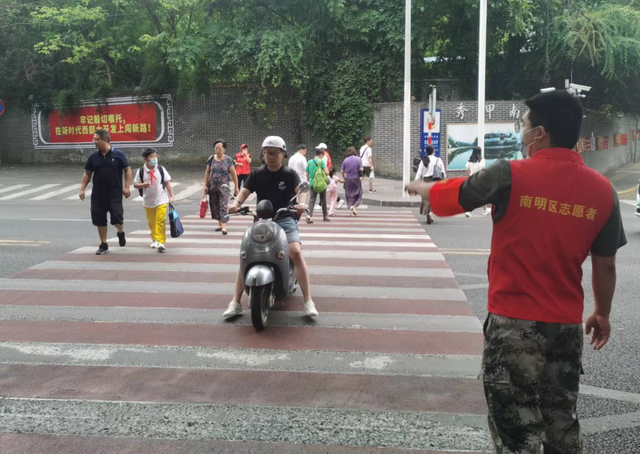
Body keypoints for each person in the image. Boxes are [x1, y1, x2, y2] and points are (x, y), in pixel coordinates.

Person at [406, 90, 626, 454]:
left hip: (513, 326)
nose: (520, 135)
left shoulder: (511, 174)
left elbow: (454, 197)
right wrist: (602, 313)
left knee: (517, 432)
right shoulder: (603, 191)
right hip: (566, 328)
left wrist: (421, 188)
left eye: (523, 127)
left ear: (539, 132)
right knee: (561, 423)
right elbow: (606, 264)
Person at [224, 135, 319, 318]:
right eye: (267, 153)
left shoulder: (289, 174)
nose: (271, 156)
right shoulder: (258, 174)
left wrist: (301, 204)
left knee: (295, 252)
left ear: (282, 154)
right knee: (246, 255)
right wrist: (236, 204)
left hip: (284, 219)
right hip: (262, 222)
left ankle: (308, 301)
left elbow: (301, 192)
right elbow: (245, 192)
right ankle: (235, 302)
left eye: (275, 153)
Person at [79, 129, 132, 255]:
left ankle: (120, 232)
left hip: (114, 194)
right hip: (98, 194)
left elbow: (127, 170)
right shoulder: (93, 157)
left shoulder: (118, 154)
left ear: (106, 140)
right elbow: (87, 173)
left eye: (97, 139)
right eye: (94, 139)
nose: (94, 142)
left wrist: (127, 187)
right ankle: (104, 244)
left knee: (117, 219)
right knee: (99, 219)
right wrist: (82, 189)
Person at [133, 148, 175, 252]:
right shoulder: (141, 171)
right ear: (145, 159)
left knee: (160, 220)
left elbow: (167, 183)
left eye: (155, 156)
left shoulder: (160, 169)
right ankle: (154, 239)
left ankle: (161, 242)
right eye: (152, 157)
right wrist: (144, 184)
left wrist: (172, 196)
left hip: (161, 199)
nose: (154, 159)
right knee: (152, 223)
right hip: (148, 202)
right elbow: (135, 184)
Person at [204, 139, 239, 235]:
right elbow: (207, 172)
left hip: (224, 188)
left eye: (219, 148)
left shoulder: (228, 160)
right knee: (215, 206)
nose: (217, 150)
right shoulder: (211, 159)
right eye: (216, 148)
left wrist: (236, 187)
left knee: (223, 206)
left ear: (224, 149)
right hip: (212, 187)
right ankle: (219, 224)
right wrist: (205, 185)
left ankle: (224, 226)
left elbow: (234, 174)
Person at [414, 145, 446, 225]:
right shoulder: (438, 160)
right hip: (435, 181)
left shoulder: (423, 160)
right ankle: (431, 212)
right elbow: (443, 172)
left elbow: (419, 173)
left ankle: (427, 212)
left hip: (426, 180)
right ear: (433, 151)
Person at [305, 148, 330, 223]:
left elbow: (306, 173)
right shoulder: (321, 161)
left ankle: (309, 216)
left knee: (312, 200)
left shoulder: (309, 162)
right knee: (323, 200)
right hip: (320, 183)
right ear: (321, 154)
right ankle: (325, 216)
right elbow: (327, 172)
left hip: (312, 183)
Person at [465, 146, 488, 217]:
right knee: (483, 195)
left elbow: (467, 171)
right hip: (479, 179)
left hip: (472, 179)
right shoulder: (481, 160)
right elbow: (482, 170)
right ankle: (484, 211)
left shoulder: (470, 161)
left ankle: (468, 211)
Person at [341, 146, 364, 216]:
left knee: (349, 195)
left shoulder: (345, 160)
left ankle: (351, 209)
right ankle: (354, 206)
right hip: (356, 179)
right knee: (359, 193)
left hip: (348, 179)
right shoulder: (358, 159)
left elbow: (342, 170)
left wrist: (344, 178)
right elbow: (361, 169)